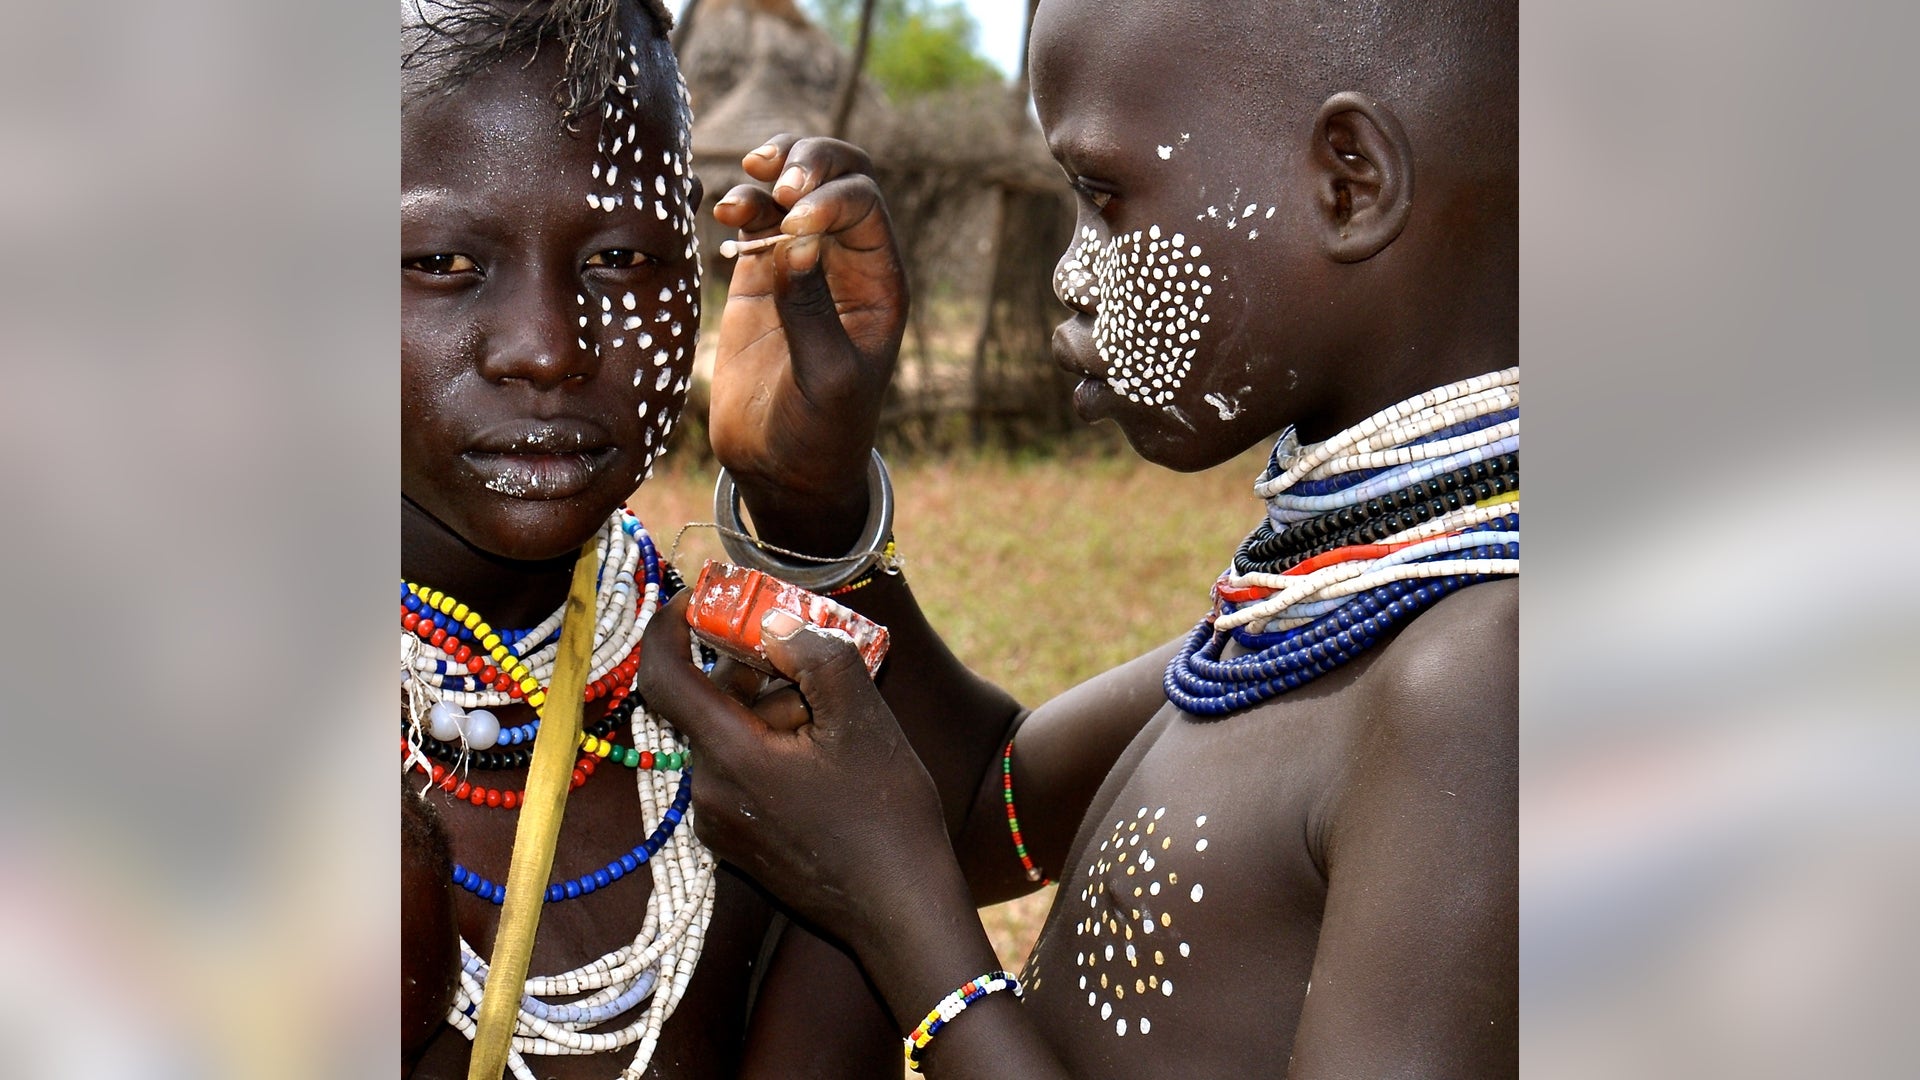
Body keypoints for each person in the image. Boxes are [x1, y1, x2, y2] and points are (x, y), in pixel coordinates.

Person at [637, 0, 1519, 1076]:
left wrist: (905, 936)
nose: (1068, 273)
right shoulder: (1326, 608)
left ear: (1350, 185)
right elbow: (979, 805)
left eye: (1104, 200)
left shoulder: (1478, 683)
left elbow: (917, 861)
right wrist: (811, 497)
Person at [397, 2, 896, 1076]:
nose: (546, 349)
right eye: (439, 260)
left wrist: (809, 507)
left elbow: (1005, 816)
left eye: (622, 257)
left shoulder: (754, 722)